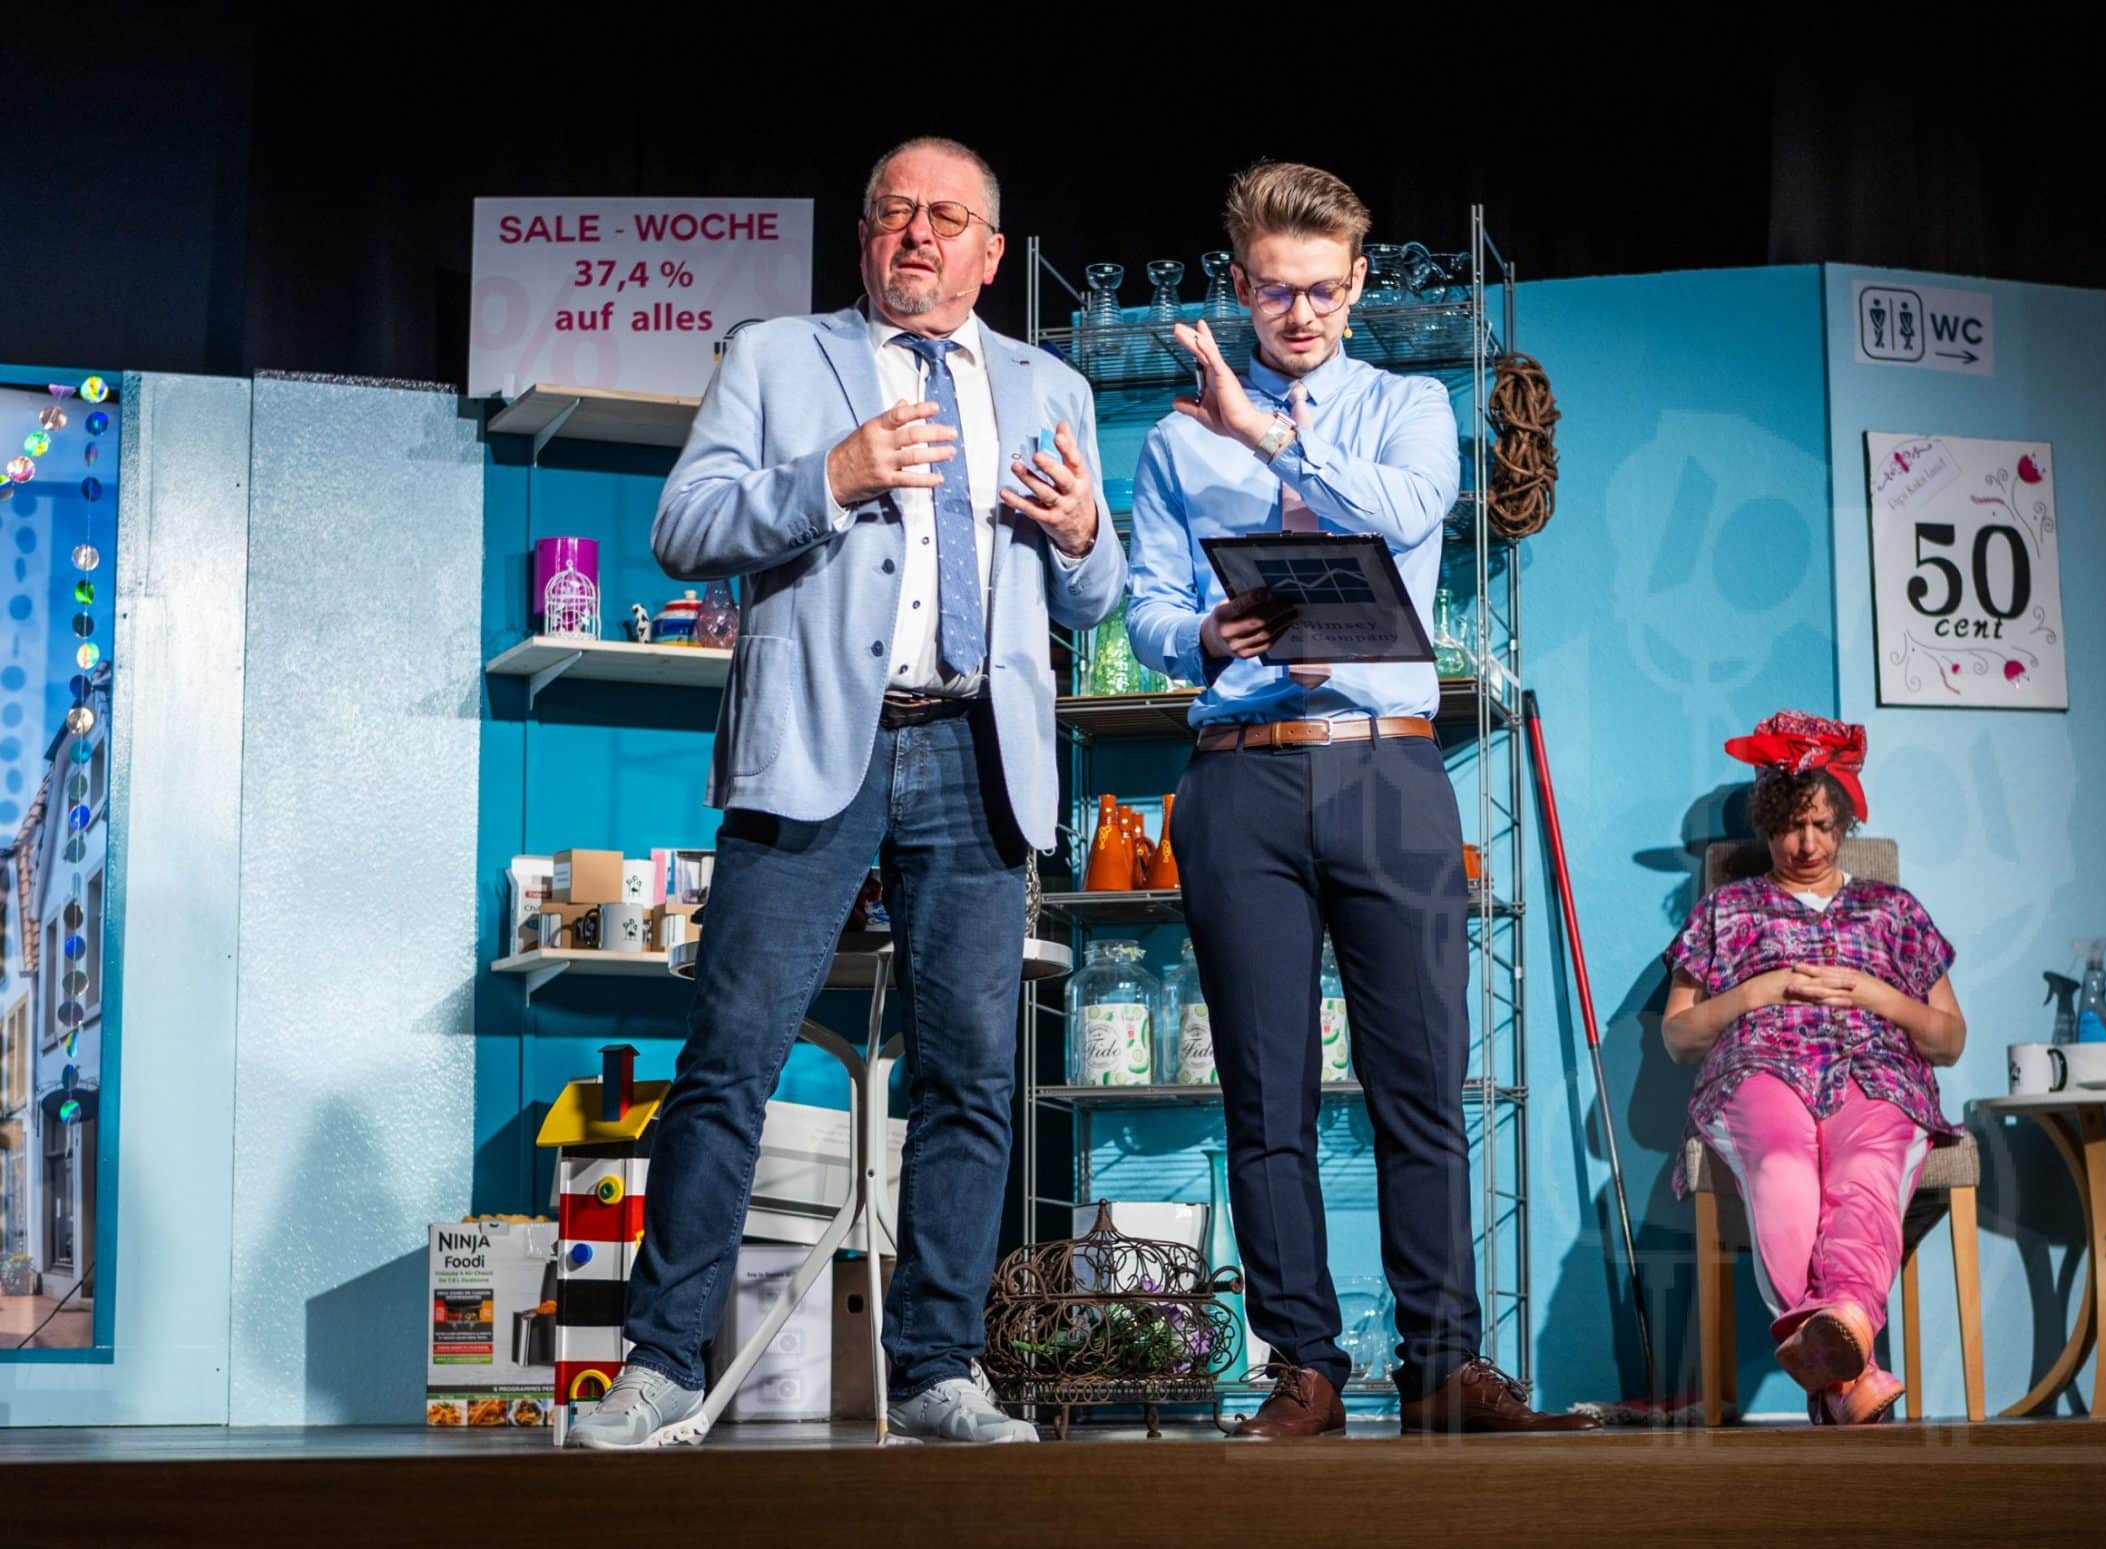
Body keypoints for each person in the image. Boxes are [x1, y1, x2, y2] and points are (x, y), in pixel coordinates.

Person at [573, 137, 1126, 1448]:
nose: (916, 234)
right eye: (892, 214)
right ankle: (661, 1363)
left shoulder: (1049, 385)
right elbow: (683, 527)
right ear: (864, 238)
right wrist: (828, 478)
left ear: (990, 251)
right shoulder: (778, 358)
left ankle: (935, 1370)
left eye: (945, 217)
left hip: (975, 755)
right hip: (818, 748)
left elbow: (1093, 598)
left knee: (971, 1077)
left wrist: (1080, 532)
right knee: (730, 1060)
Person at [1126, 160, 1597, 1438]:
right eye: (1277, 291)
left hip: (1387, 767)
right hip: (1239, 773)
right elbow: (1149, 608)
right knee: (1263, 1090)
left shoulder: (1407, 408)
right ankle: (1307, 1367)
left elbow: (1405, 509)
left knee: (1420, 1080)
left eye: (1325, 291)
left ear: (1359, 283)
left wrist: (1266, 434)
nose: (1301, 315)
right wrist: (1200, 636)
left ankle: (1443, 1366)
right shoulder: (1171, 442)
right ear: (1240, 284)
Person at [1660, 710, 1967, 1425]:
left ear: (1844, 825)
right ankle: (1849, 1370)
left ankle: (1837, 1374)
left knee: (1865, 1176)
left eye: (1823, 826)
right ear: (1768, 825)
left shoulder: (1893, 910)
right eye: (1791, 826)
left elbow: (1949, 1038)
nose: (1806, 844)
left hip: (1879, 1072)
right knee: (1784, 1177)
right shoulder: (1728, 910)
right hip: (1760, 1069)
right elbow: (1678, 1037)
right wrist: (1757, 991)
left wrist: (1876, 994)